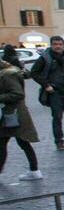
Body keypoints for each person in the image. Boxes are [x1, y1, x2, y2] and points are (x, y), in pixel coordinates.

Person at [30, 36, 64, 149]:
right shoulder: (45, 57)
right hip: (55, 92)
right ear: (51, 45)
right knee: (57, 117)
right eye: (55, 44)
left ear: (63, 45)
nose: (58, 46)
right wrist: (46, 85)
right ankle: (59, 141)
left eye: (60, 44)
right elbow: (34, 72)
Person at [0, 48, 41, 181]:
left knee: (11, 142)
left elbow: (17, 94)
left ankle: (35, 170)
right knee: (20, 142)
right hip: (12, 114)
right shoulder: (8, 72)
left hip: (13, 114)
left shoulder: (7, 74)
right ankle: (34, 170)